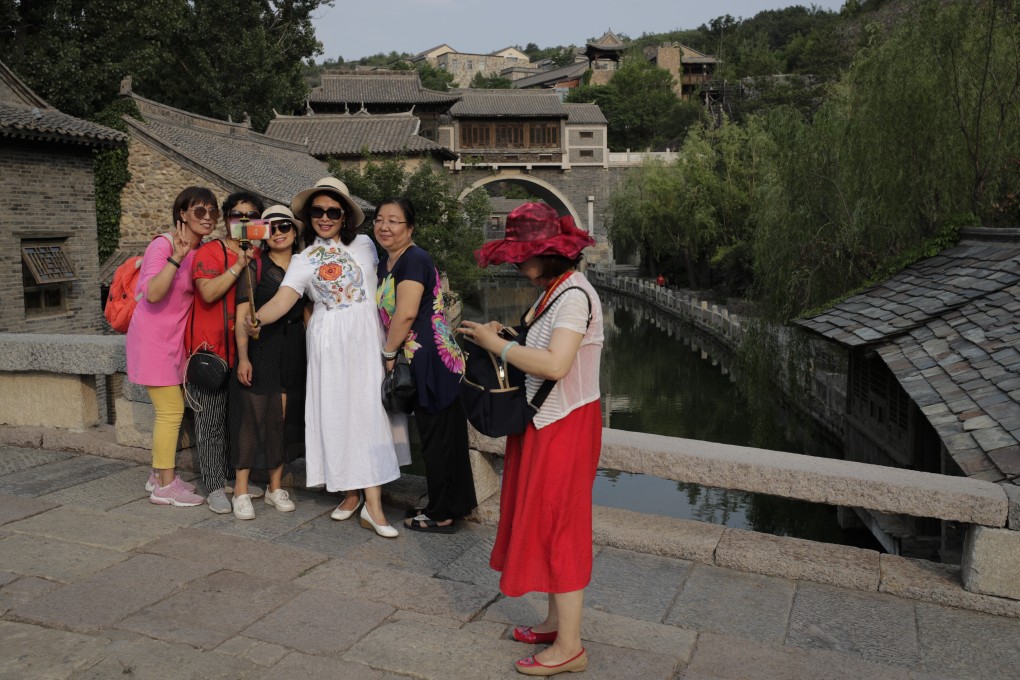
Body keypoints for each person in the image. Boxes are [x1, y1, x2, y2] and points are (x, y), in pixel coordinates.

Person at [458, 203, 603, 677]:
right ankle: (556, 624)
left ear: (548, 254)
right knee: (543, 519)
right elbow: (541, 348)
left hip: (565, 425)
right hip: (546, 423)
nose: (517, 264)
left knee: (560, 524)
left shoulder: (574, 296)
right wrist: (505, 335)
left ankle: (571, 647)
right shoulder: (554, 292)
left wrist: (499, 346)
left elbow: (557, 365)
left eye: (524, 255)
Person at [243, 177, 410, 538]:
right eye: (317, 211)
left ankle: (374, 507)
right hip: (329, 342)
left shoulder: (366, 244)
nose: (324, 216)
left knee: (368, 415)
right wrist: (257, 319)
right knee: (338, 415)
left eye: (332, 211)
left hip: (366, 337)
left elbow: (396, 270)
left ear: (345, 215)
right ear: (309, 214)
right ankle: (350, 494)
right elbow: (283, 300)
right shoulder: (303, 260)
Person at [374, 197, 477, 533]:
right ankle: (449, 504)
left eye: (394, 221)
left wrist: (388, 354)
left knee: (440, 436)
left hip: (432, 357)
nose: (385, 227)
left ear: (410, 228)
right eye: (379, 220)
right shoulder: (389, 261)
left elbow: (405, 313)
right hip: (422, 355)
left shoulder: (414, 259)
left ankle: (442, 512)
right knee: (439, 435)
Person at [129, 186, 219, 507]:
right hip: (153, 339)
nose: (207, 217)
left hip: (174, 342)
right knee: (170, 411)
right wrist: (175, 259)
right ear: (182, 214)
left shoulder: (202, 250)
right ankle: (165, 487)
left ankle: (157, 475)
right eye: (199, 211)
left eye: (213, 212)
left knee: (170, 411)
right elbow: (152, 293)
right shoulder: (163, 245)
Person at [185, 191, 265, 514]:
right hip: (210, 353)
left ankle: (234, 477)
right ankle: (215, 486)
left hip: (242, 353)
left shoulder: (258, 256)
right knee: (210, 423)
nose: (243, 223)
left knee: (237, 420)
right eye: (237, 216)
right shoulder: (211, 251)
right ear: (227, 220)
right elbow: (206, 293)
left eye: (250, 216)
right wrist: (238, 266)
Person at [228, 205, 307, 520]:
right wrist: (243, 356)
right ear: (262, 233)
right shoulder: (254, 267)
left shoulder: (305, 267)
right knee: (250, 419)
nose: (279, 232)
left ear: (295, 231)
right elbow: (242, 316)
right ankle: (241, 490)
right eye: (271, 227)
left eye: (285, 226)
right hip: (262, 347)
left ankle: (275, 487)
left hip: (293, 347)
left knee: (281, 421)